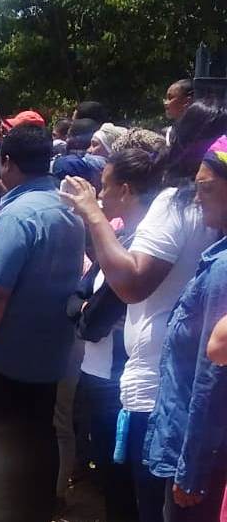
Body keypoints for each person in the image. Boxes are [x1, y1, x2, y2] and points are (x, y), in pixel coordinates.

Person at [59, 100, 227, 522]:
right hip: (186, 387)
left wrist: (92, 214)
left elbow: (132, 283)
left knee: (146, 505)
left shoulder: (177, 202)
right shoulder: (206, 209)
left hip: (159, 393)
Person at [0, 124, 85, 522]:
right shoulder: (68, 211)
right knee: (38, 447)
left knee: (5, 460)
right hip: (47, 358)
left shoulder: (17, 217)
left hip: (3, 361)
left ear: (7, 162)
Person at [68, 149, 162, 521]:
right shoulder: (120, 240)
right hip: (102, 372)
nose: (99, 195)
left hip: (114, 378)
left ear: (125, 190)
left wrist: (82, 310)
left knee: (121, 481)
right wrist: (82, 308)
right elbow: (80, 294)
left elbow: (92, 318)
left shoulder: (140, 247)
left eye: (104, 187)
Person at [143, 148, 227, 522]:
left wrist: (191, 470)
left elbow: (212, 377)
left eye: (205, 189)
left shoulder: (223, 269)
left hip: (203, 461)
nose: (196, 198)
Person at [164, 79, 194, 144]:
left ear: (187, 101)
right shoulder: (166, 134)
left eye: (170, 98)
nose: (165, 103)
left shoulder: (201, 133)